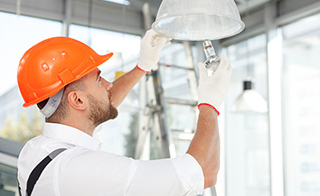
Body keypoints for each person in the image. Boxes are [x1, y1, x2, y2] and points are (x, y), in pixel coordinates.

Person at [16, 29, 232, 196]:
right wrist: (209, 104)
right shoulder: (81, 169)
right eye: (99, 79)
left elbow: (99, 104)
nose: (109, 84)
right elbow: (204, 172)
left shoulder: (36, 149)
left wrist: (143, 66)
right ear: (77, 100)